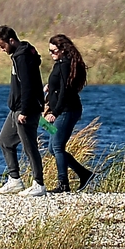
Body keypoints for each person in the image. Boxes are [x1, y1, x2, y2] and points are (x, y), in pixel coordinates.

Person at [0, 25, 46, 196]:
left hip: (25, 109)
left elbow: (27, 85)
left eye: (3, 46)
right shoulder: (19, 54)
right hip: (16, 108)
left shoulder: (23, 56)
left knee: (29, 147)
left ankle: (39, 184)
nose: (2, 50)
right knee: (5, 141)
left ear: (11, 40)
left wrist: (25, 111)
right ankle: (15, 180)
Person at [42, 33, 95, 192]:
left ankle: (63, 184)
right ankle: (85, 174)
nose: (51, 54)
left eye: (54, 51)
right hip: (61, 110)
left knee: (57, 147)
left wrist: (55, 112)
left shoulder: (65, 65)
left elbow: (66, 91)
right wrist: (50, 87)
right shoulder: (60, 63)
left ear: (63, 50)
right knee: (52, 148)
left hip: (66, 111)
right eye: (49, 51)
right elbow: (60, 85)